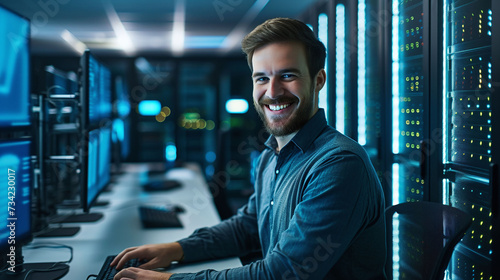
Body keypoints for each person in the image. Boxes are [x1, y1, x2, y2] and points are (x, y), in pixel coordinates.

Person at [112, 17, 387, 280]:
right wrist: (176, 249)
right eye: (261, 78)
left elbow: (284, 273)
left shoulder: (338, 164)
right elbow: (248, 227)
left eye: (287, 75)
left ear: (318, 80)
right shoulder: (272, 154)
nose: (273, 91)